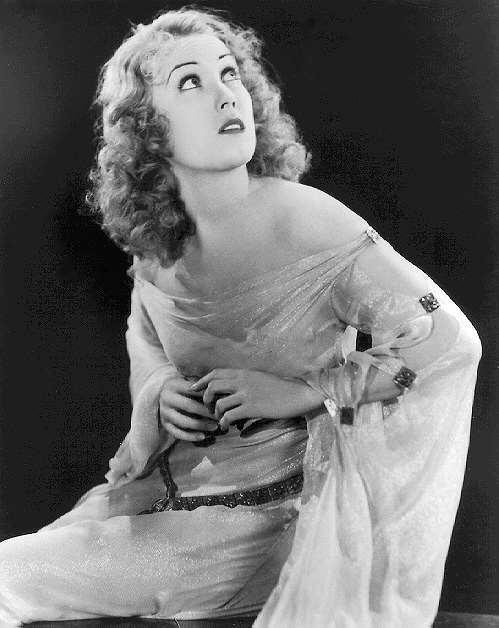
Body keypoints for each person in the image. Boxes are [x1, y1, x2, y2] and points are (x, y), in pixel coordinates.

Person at [0, 7, 481, 627]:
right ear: (148, 129)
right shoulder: (157, 249)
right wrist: (160, 392)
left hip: (282, 524)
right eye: (191, 82)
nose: (227, 94)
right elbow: (146, 342)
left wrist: (303, 390)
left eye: (229, 73)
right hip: (177, 500)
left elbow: (447, 342)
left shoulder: (305, 220)